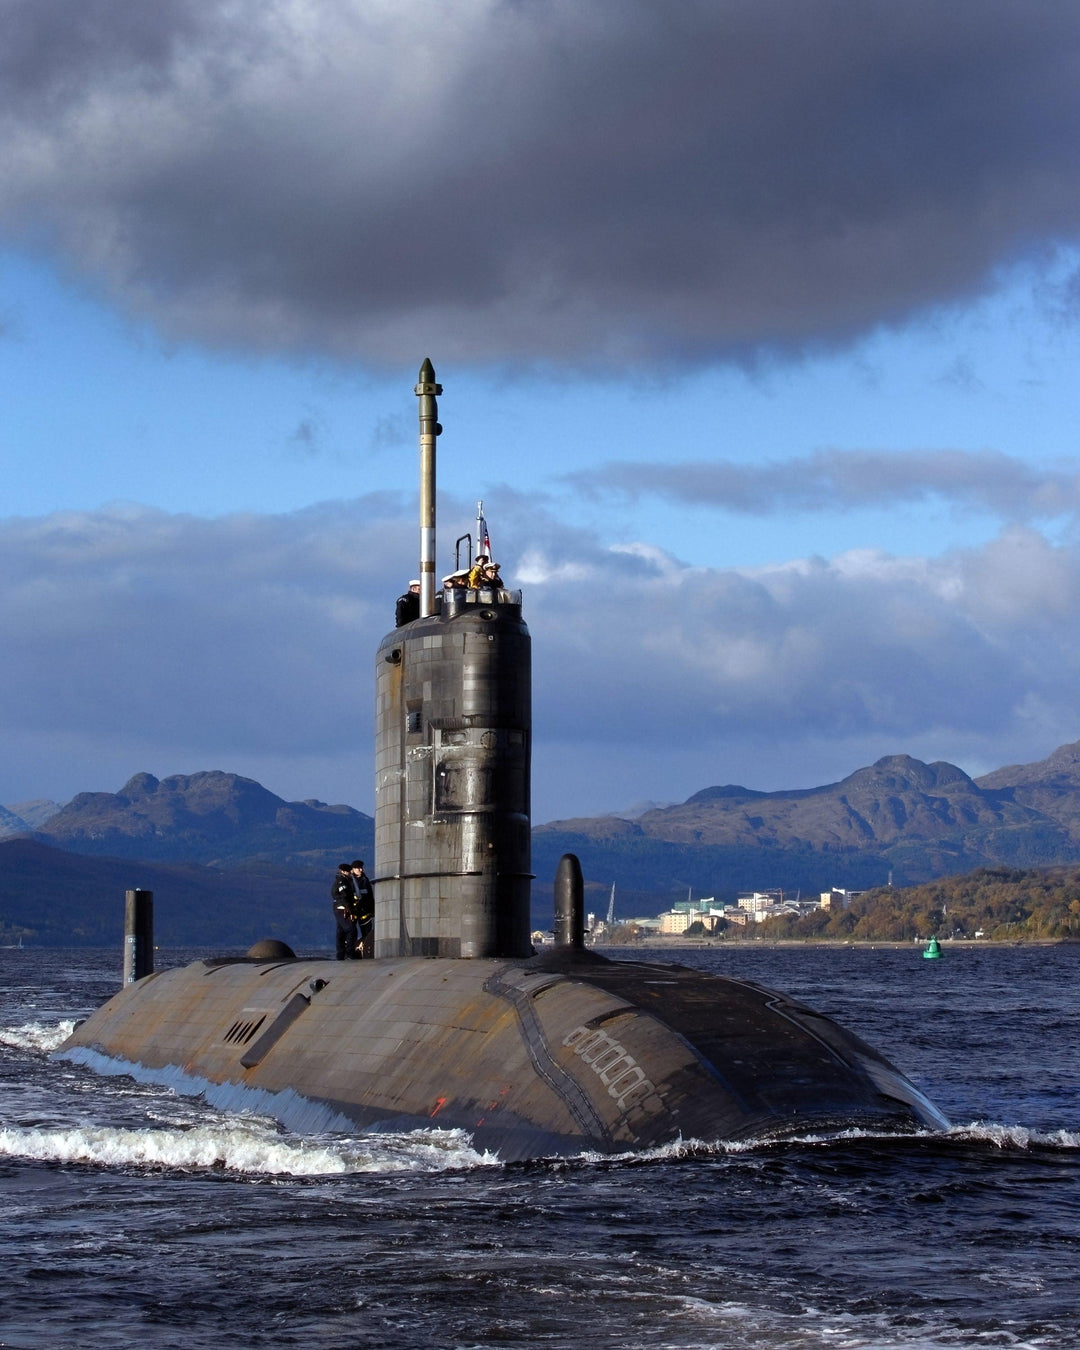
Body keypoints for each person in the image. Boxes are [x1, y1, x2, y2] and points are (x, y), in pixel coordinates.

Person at [331, 861, 358, 960]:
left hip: (340, 909)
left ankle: (340, 955)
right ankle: (350, 954)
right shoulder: (342, 882)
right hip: (342, 909)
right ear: (343, 871)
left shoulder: (344, 881)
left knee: (341, 932)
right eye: (348, 871)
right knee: (351, 930)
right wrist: (351, 911)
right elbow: (344, 898)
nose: (350, 873)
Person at [350, 859, 375, 958]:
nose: (360, 870)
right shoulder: (350, 881)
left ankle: (364, 950)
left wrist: (372, 910)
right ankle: (351, 953)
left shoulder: (365, 880)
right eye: (358, 868)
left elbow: (370, 896)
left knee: (367, 933)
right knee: (351, 933)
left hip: (365, 912)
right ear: (353, 869)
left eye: (361, 868)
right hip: (354, 912)